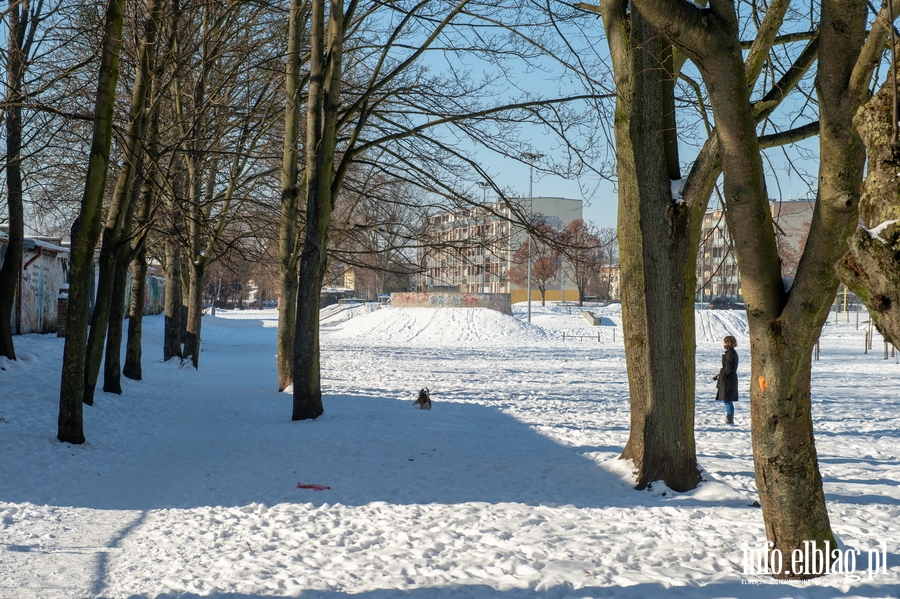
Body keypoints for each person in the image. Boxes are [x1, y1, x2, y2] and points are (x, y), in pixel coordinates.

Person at [713, 335, 739, 424]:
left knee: (727, 400)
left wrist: (722, 375)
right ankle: (729, 417)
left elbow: (729, 368)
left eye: (724, 342)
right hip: (729, 378)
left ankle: (729, 418)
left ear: (728, 343)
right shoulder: (730, 353)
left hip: (728, 380)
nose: (723, 344)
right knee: (728, 400)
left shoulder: (730, 353)